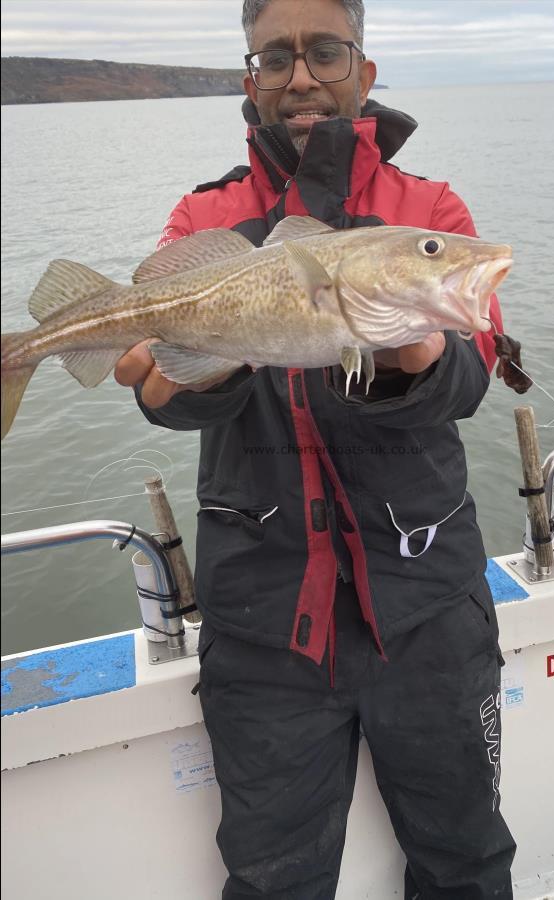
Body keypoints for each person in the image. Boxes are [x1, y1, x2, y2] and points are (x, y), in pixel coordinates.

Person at [115, 0, 517, 896]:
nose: (301, 77)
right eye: (275, 58)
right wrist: (195, 369)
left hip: (426, 612)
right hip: (263, 625)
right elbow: (160, 398)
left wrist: (414, 352)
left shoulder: (427, 211)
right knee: (271, 882)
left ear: (363, 73)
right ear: (248, 84)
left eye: (325, 52)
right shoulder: (203, 217)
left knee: (467, 863)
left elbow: (472, 376)